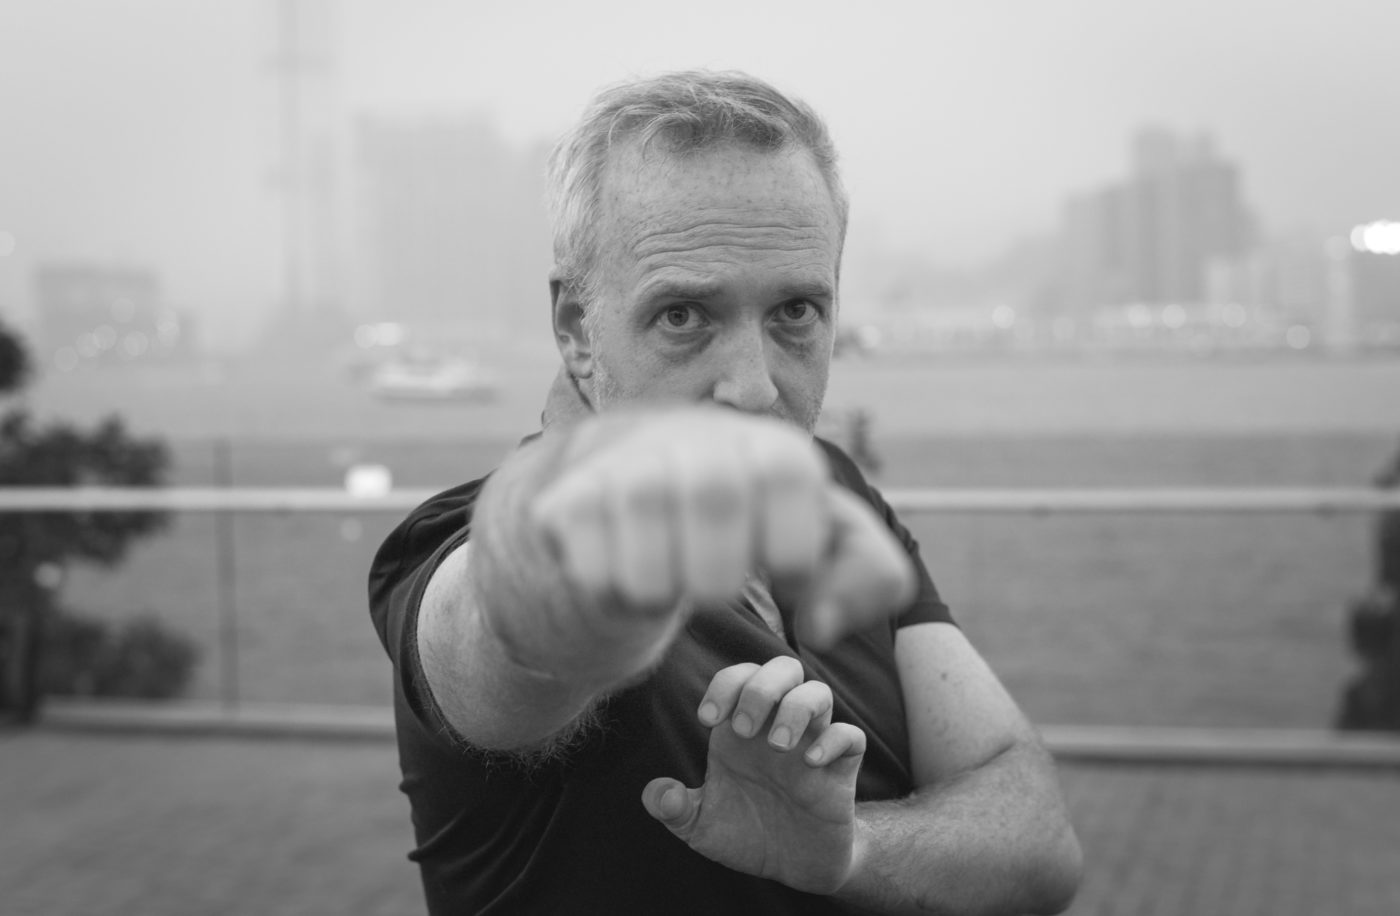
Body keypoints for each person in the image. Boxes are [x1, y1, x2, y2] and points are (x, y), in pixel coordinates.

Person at [369, 70, 1082, 914]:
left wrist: (849, 850)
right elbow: (505, 632)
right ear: (577, 331)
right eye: (683, 315)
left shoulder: (832, 489)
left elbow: (1041, 846)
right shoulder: (461, 544)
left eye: (795, 312)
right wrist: (576, 556)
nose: (753, 388)